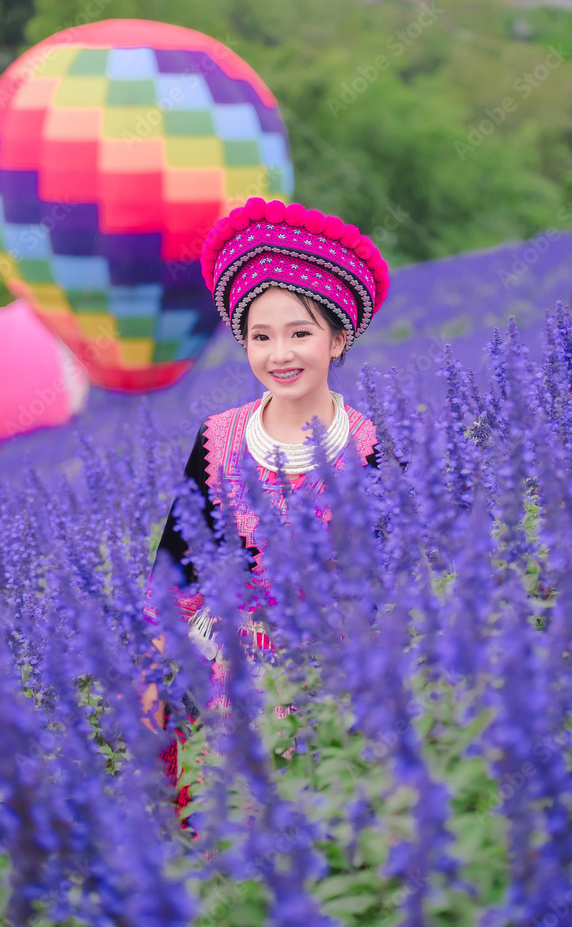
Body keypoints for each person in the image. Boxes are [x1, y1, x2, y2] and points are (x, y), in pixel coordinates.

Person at [140, 196, 391, 813]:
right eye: (261, 337)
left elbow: (392, 586)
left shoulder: (371, 448)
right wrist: (150, 683)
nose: (280, 354)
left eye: (300, 333)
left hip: (327, 687)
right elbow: (174, 571)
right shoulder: (217, 437)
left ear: (337, 338)